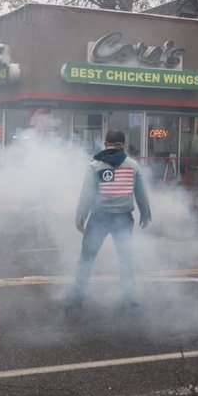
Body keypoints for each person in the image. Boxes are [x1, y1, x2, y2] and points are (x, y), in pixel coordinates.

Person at [69, 129, 152, 308]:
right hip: (123, 218)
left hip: (99, 217)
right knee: (125, 258)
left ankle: (77, 298)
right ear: (122, 145)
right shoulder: (132, 165)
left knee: (87, 257)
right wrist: (145, 213)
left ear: (106, 144)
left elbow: (87, 193)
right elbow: (141, 193)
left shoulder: (95, 165)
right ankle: (128, 299)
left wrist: (80, 218)